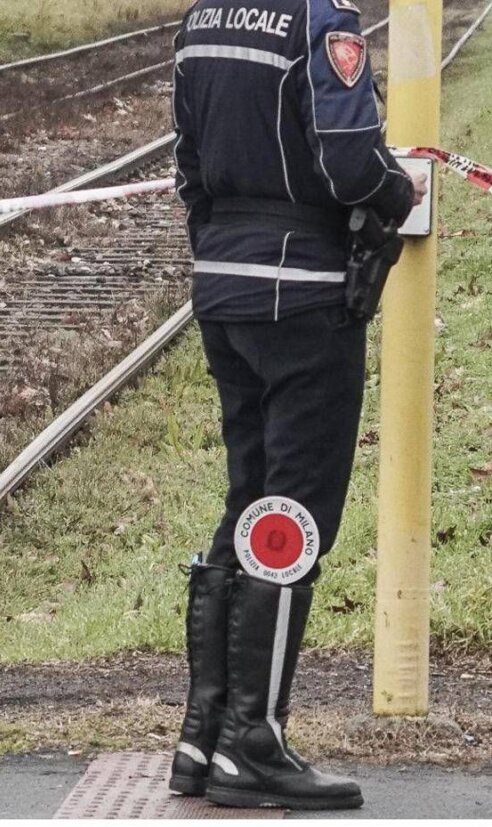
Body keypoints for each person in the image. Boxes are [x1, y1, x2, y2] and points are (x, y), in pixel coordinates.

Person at [167, 0, 428, 811]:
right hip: (305, 296)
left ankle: (203, 734)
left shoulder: (202, 20)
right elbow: (351, 164)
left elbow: (187, 167)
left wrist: (226, 250)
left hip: (224, 288)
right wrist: (400, 189)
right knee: (292, 517)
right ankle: (254, 743)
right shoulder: (320, 21)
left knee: (248, 500)